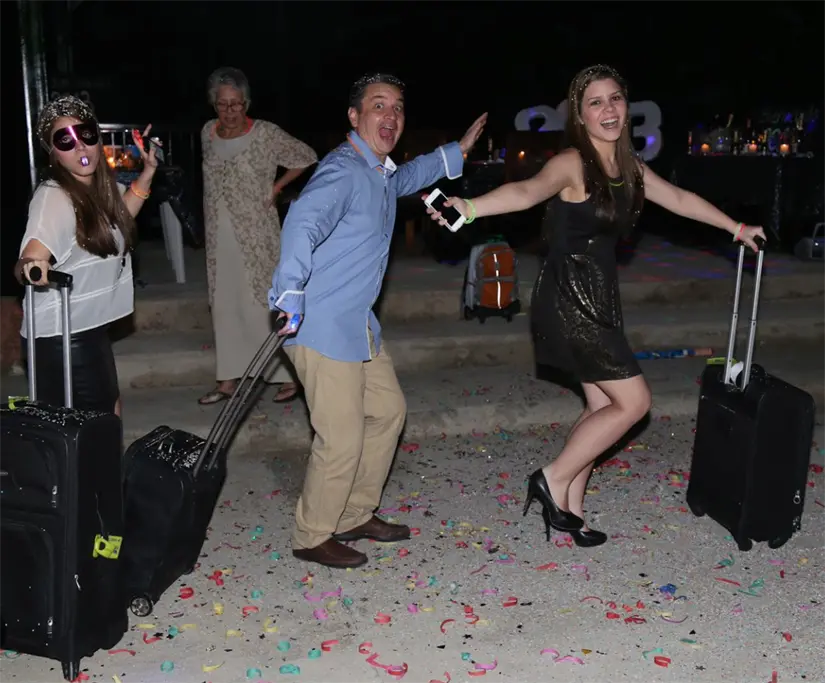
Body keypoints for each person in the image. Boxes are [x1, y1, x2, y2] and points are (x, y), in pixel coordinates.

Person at [427, 65, 765, 547]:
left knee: (601, 403)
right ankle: (551, 478)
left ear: (626, 108)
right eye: (595, 102)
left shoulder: (631, 168)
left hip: (600, 297)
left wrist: (737, 229)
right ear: (581, 117)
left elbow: (681, 199)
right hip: (568, 298)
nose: (608, 110)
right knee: (636, 402)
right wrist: (470, 207)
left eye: (615, 100)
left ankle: (571, 510)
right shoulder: (572, 163)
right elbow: (526, 192)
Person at [270, 72, 487, 568]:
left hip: (357, 323)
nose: (390, 116)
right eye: (378, 106)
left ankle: (352, 514)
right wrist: (290, 294)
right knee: (341, 435)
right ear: (354, 116)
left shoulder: (380, 170)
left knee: (387, 412)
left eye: (398, 108)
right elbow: (302, 222)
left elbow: (409, 177)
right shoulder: (343, 171)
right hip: (320, 323)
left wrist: (458, 150)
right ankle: (312, 533)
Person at [15, 95, 158, 414]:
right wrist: (32, 265)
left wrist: (147, 173)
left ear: (98, 138)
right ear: (54, 154)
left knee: (108, 414)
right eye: (65, 141)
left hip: (88, 328)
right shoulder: (54, 197)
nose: (80, 147)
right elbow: (29, 259)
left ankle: (99, 466)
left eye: (86, 135)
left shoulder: (98, 188)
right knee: (91, 426)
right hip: (60, 336)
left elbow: (119, 219)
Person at [198, 67, 317, 405]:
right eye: (223, 104)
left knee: (261, 304)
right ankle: (227, 380)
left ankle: (287, 376)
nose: (230, 111)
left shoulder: (265, 133)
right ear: (214, 105)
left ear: (246, 102)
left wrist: (277, 186)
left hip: (256, 232)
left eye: (236, 104)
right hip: (219, 233)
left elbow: (306, 156)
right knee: (224, 304)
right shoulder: (208, 132)